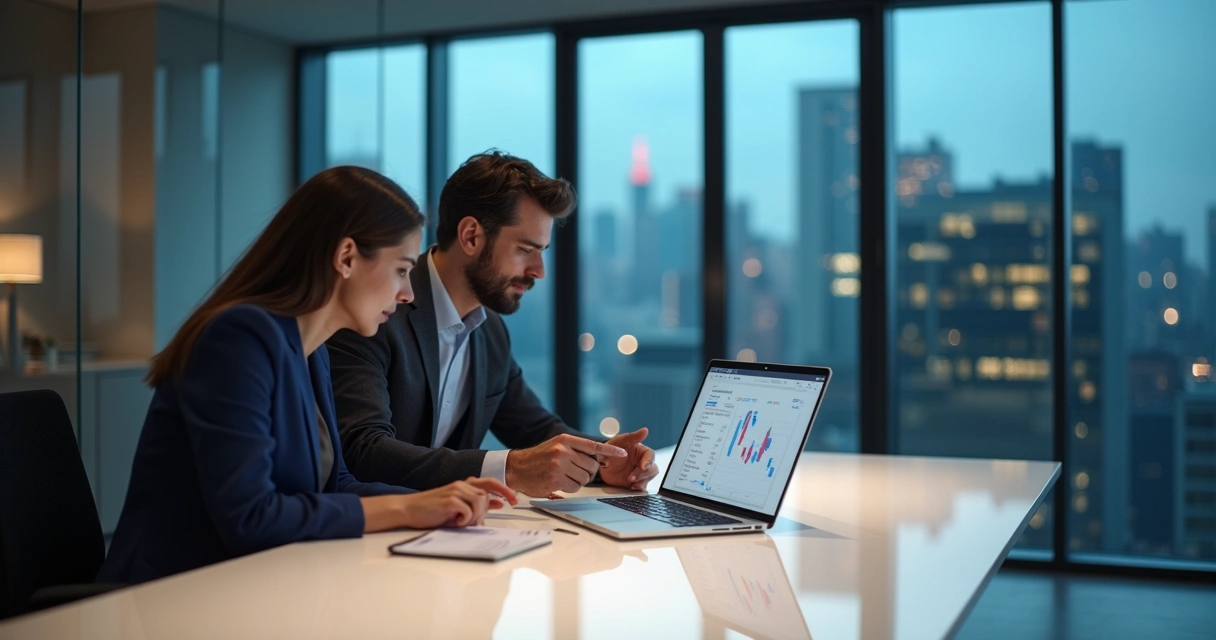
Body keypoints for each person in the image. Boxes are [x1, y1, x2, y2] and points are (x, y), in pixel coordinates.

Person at [99, 166, 515, 585]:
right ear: (346, 257)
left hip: (255, 585)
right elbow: (250, 517)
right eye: (402, 270)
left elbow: (336, 484)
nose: (407, 294)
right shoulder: (237, 339)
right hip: (171, 596)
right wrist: (407, 509)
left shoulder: (312, 351)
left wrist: (438, 502)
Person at [328, 152, 660, 496]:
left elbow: (536, 429)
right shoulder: (377, 311)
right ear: (471, 236)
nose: (539, 271)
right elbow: (362, 450)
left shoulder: (489, 330)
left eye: (542, 251)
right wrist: (510, 469)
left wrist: (609, 460)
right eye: (525, 250)